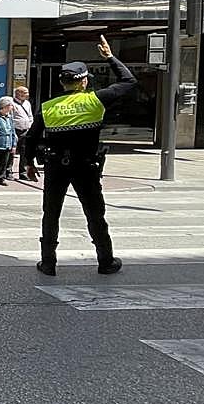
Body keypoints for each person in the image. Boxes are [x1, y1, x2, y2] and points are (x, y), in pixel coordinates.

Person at [22, 37, 137, 276]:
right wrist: (109, 57)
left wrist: (28, 163)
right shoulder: (95, 100)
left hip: (55, 166)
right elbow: (128, 81)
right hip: (86, 166)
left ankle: (48, 263)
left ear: (63, 82)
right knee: (95, 214)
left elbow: (31, 137)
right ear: (83, 81)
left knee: (51, 214)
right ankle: (105, 261)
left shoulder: (48, 106)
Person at [10, 86, 36, 180]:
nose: (27, 94)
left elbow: (30, 116)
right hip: (15, 130)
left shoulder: (27, 103)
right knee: (11, 151)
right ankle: (8, 171)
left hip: (26, 130)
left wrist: (30, 126)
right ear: (19, 93)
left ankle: (23, 172)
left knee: (24, 153)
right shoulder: (12, 104)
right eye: (25, 93)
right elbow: (10, 117)